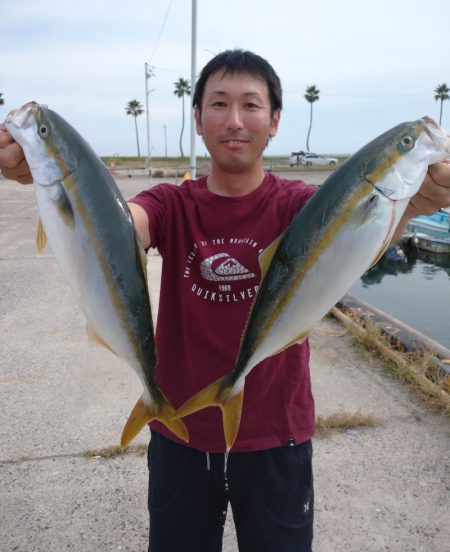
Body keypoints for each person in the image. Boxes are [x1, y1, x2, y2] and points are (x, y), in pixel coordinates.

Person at [1, 50, 450, 552]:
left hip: (279, 436)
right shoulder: (171, 204)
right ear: (197, 118)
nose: (234, 120)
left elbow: (350, 245)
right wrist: (61, 183)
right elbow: (123, 225)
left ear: (275, 120)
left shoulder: (302, 207)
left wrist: (413, 207)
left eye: (251, 105)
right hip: (181, 439)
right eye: (218, 103)